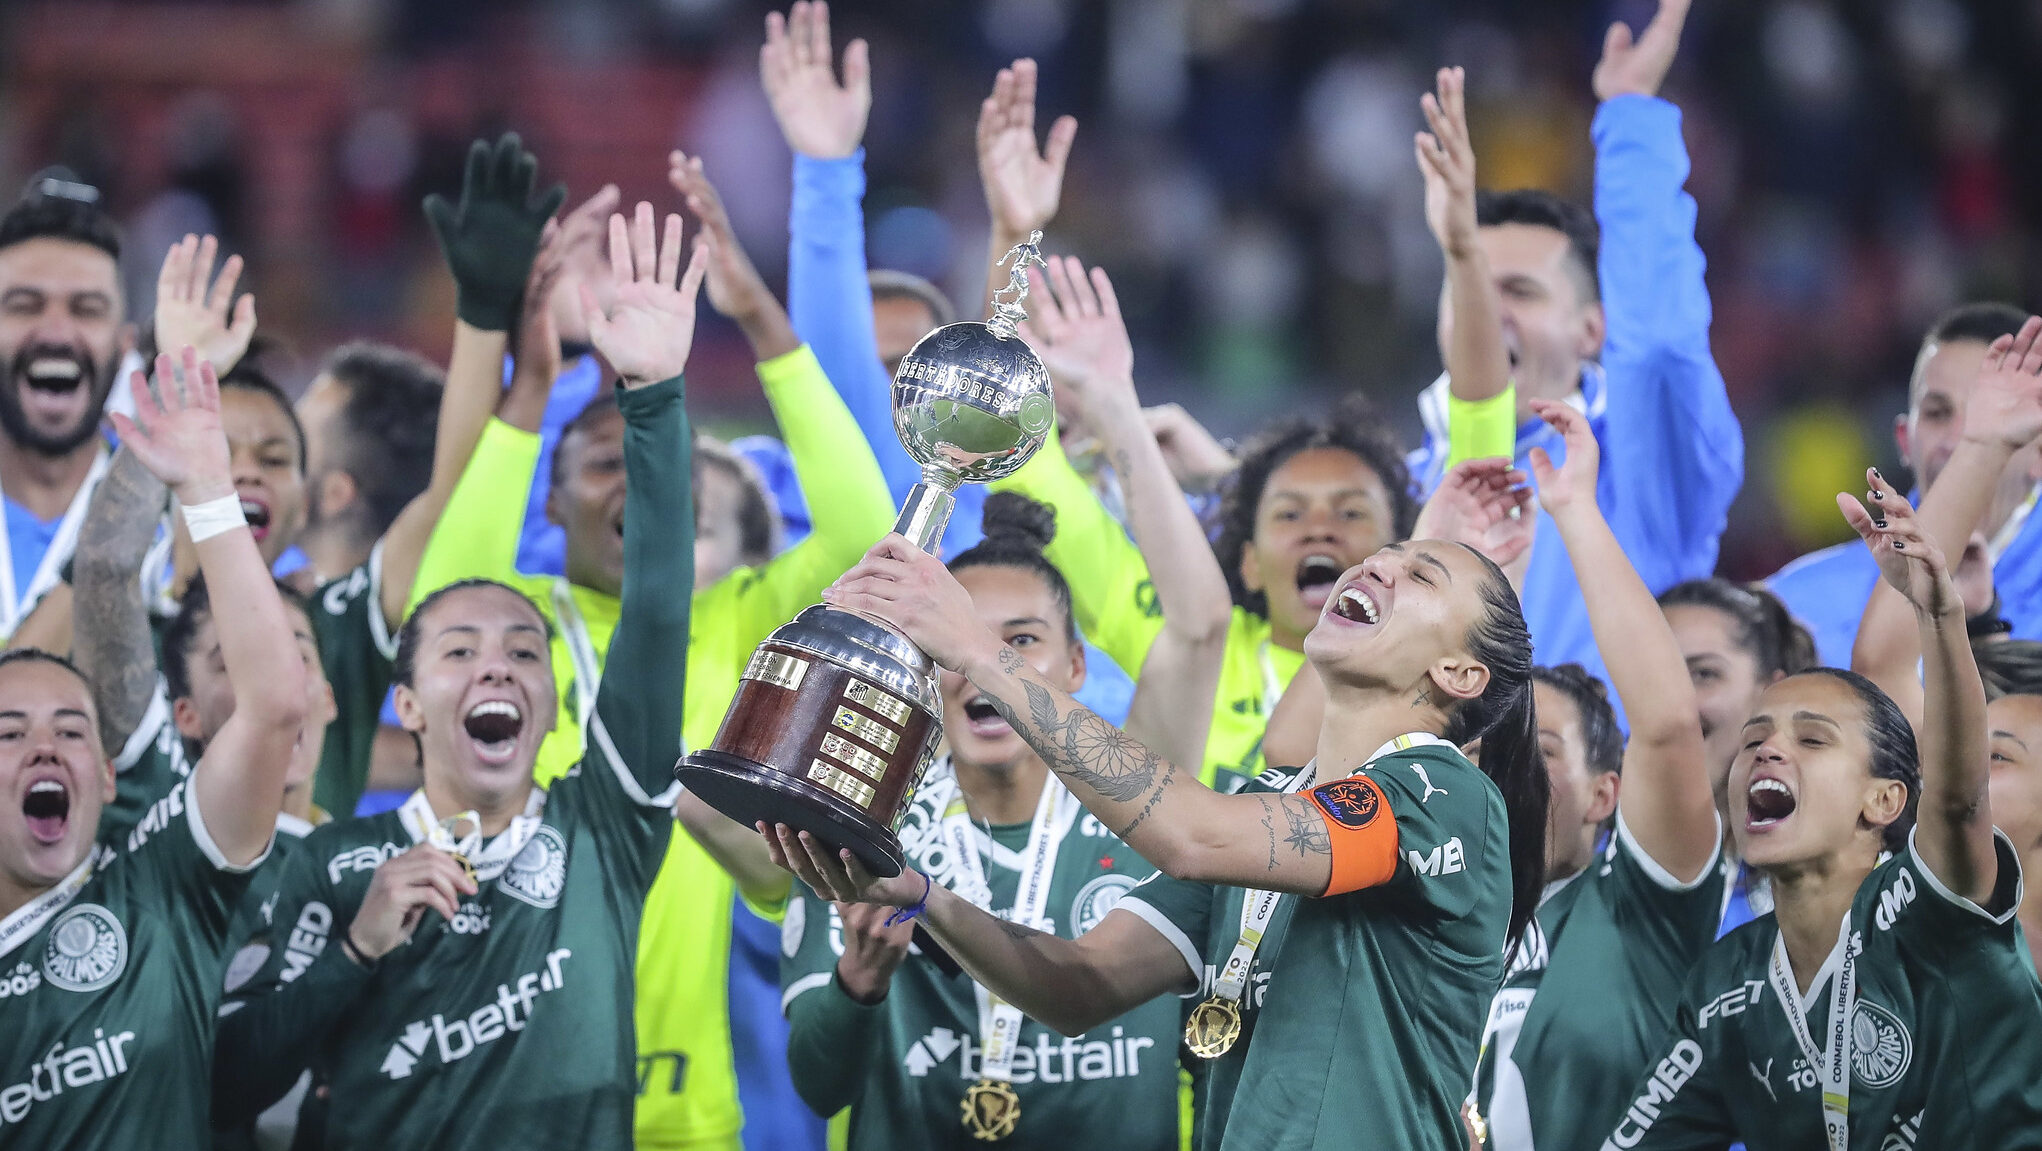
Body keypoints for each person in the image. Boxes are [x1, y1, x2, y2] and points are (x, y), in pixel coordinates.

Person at [775, 520, 1550, 1150]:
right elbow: (1079, 985)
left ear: (1461, 674)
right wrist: (918, 895)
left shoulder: (1443, 793)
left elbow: (1190, 835)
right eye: (1384, 556)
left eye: (1420, 575)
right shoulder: (1266, 807)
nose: (1379, 567)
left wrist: (980, 651)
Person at [409, 153, 893, 1151]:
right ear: (550, 497)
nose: (633, 478)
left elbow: (859, 533)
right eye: (599, 461)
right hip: (499, 1096)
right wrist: (533, 380)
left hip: (683, 1108)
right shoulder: (512, 627)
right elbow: (435, 602)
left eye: (651, 460)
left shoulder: (738, 620)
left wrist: (762, 321)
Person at [213, 199, 701, 1149]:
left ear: (557, 699)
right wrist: (355, 949)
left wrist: (655, 397)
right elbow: (227, 1083)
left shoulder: (605, 825)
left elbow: (656, 606)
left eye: (525, 652)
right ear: (408, 705)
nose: (498, 667)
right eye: (459, 651)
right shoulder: (337, 862)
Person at [1602, 463, 2042, 1149]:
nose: (1769, 753)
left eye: (1812, 738)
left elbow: (1958, 800)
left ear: (1886, 798)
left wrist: (1940, 613)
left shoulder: (1931, 903)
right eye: (1755, 739)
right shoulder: (1727, 983)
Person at [780, 491, 1212, 1148]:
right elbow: (818, 1085)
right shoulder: (862, 830)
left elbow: (1202, 625)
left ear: (1075, 667)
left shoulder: (1147, 825)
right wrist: (858, 981)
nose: (977, 663)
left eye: (1020, 640)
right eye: (953, 643)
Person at [0, 346, 309, 1146]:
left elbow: (273, 707)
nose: (44, 746)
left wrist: (208, 491)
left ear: (107, 774)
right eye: (9, 732)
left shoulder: (164, 888)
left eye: (72, 729)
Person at [1406, 0, 1742, 686]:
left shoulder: (1641, 467)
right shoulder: (1401, 481)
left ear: (1592, 329)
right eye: (1471, 281)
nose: (1490, 312)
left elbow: (1658, 349)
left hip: (1604, 786)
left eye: (1521, 292)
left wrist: (1631, 119)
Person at [1467, 401, 1723, 1151]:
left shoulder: (1639, 911)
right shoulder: (1434, 908)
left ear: (1606, 793)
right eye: (1490, 748)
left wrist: (1574, 508)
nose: (1506, 766)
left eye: (1539, 748)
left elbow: (1670, 726)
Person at [1769, 302, 2031, 665]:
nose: (1958, 441)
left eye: (1987, 416)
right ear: (1905, 440)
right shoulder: (1796, 607)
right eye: (1938, 413)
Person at [0, 169, 130, 642]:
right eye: (24, 305)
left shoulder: (187, 525)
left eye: (87, 309)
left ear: (125, 345)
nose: (56, 333)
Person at [1655, 578, 1816, 932]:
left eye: (1703, 674)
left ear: (1771, 693)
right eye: (1655, 674)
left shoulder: (1825, 864)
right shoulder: (1592, 845)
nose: (1677, 706)